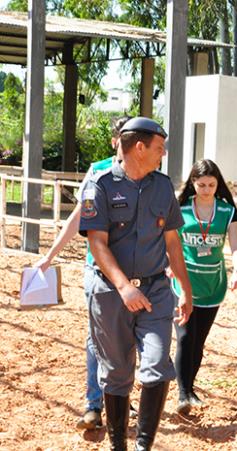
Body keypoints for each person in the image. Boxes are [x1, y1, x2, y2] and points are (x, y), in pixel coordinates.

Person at [79, 117, 193, 451]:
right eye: (160, 147)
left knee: (157, 366)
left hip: (157, 291)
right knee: (116, 372)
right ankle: (119, 446)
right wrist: (124, 286)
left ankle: (143, 446)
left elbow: (172, 243)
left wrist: (184, 289)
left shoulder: (162, 186)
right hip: (111, 294)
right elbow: (97, 243)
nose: (164, 153)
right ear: (139, 147)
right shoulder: (98, 185)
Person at [34, 115, 134, 430]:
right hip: (99, 270)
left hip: (134, 273)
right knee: (96, 338)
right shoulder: (98, 172)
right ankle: (94, 405)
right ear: (115, 140)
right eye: (124, 138)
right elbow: (78, 217)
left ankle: (120, 397)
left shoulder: (148, 175)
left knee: (127, 338)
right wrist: (49, 257)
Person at [171, 159, 237, 415]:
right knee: (184, 337)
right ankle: (183, 394)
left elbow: (236, 246)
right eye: (201, 184)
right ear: (192, 183)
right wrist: (167, 264)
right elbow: (168, 242)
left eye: (211, 184)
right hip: (183, 283)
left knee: (198, 341)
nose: (206, 189)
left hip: (213, 285)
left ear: (218, 185)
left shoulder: (227, 211)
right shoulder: (180, 209)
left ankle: (190, 387)